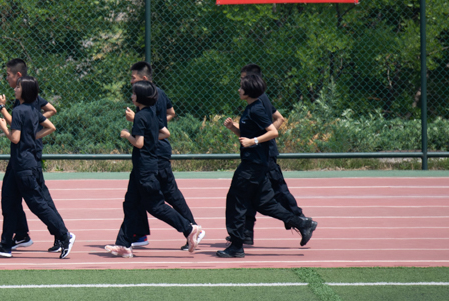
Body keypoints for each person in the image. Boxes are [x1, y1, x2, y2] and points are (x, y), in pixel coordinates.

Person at [218, 73, 317, 258]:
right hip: (257, 165)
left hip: (252, 166)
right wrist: (234, 129)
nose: (239, 90)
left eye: (241, 87)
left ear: (248, 91)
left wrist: (252, 142)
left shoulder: (256, 110)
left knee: (236, 201)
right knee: (265, 204)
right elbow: (248, 134)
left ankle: (236, 246)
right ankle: (302, 223)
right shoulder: (250, 108)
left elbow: (273, 132)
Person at [105, 80, 202, 258]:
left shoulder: (141, 116)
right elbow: (166, 133)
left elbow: (139, 143)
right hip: (142, 168)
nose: (131, 96)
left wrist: (127, 134)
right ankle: (123, 244)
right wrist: (150, 137)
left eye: (134, 93)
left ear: (140, 97)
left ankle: (189, 229)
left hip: (145, 169)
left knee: (155, 206)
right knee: (131, 204)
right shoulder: (150, 113)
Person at [0, 76, 76, 259]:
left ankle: (65, 235)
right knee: (9, 202)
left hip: (23, 165)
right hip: (24, 163)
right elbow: (50, 127)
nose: (15, 89)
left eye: (18, 87)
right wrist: (32, 137)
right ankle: (5, 244)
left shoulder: (19, 110)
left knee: (36, 203)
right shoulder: (33, 110)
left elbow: (15, 138)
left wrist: (4, 128)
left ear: (24, 91)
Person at [229, 64, 305, 246]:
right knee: (255, 198)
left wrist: (258, 140)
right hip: (255, 156)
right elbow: (277, 120)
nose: (239, 84)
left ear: (251, 82)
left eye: (242, 80)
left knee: (276, 191)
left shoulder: (259, 103)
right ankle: (245, 233)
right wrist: (237, 130)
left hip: (262, 156)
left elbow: (276, 124)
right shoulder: (253, 103)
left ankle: (301, 219)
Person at [0, 58, 61, 252]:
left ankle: (61, 234)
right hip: (19, 155)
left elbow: (51, 110)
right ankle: (20, 235)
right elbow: (16, 120)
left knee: (40, 198)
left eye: (8, 75)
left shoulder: (30, 98)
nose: (6, 78)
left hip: (28, 154)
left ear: (18, 76)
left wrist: (31, 124)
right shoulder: (19, 100)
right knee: (9, 196)